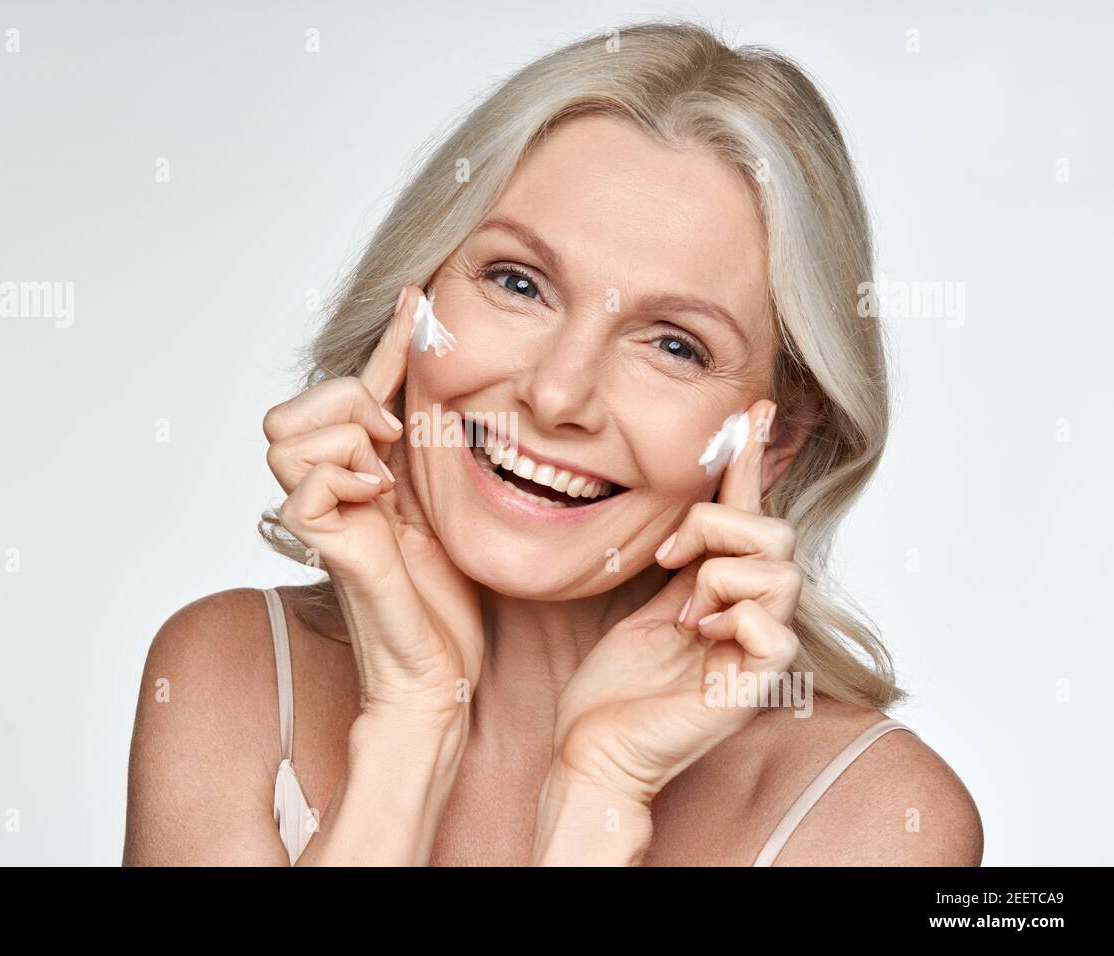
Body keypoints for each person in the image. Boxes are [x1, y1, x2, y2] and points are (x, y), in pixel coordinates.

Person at [123, 19, 983, 866]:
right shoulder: (227, 677)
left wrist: (597, 798)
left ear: (781, 438)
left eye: (674, 345)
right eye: (517, 282)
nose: (556, 392)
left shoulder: (876, 818)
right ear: (413, 299)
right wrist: (409, 729)